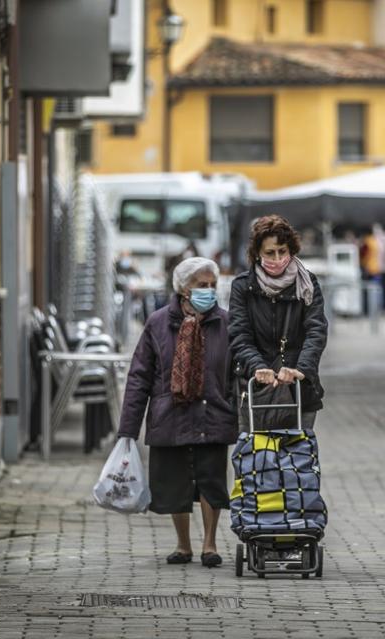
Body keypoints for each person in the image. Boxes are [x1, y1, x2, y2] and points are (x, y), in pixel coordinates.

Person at [118, 257, 237, 568]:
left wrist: (238, 410)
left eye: (213, 285)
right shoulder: (158, 323)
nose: (209, 291)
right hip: (170, 413)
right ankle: (183, 545)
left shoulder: (226, 323)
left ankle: (209, 544)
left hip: (213, 412)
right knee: (175, 482)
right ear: (184, 288)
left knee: (211, 479)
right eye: (202, 285)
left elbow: (239, 373)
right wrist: (127, 430)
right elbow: (139, 376)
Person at [228, 215, 328, 430]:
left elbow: (316, 330)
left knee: (298, 458)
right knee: (258, 459)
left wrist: (301, 369)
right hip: (256, 388)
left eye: (282, 251)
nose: (277, 258)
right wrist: (258, 367)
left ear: (291, 249)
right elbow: (239, 335)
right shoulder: (243, 287)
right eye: (269, 253)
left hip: (299, 387)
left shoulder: (307, 284)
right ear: (257, 254)